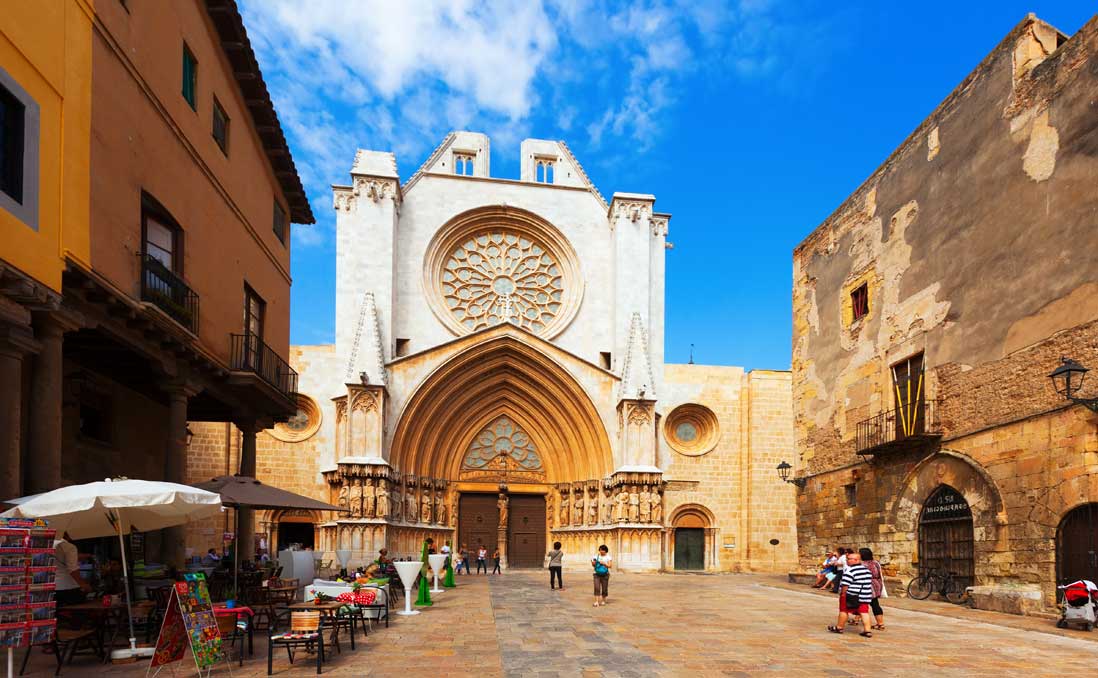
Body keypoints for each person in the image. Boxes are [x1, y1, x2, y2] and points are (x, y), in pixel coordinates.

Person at [828, 549, 873, 637]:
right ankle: (867, 630)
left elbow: (845, 584)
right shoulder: (867, 570)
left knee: (844, 610)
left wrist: (843, 593)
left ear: (856, 560)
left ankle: (839, 627)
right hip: (865, 595)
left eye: (849, 559)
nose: (847, 560)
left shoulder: (850, 571)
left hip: (851, 594)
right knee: (864, 612)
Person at [53, 533, 91, 606]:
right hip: (67, 588)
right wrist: (84, 585)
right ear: (67, 534)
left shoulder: (47, 544)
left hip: (51, 588)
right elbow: (72, 569)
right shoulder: (69, 547)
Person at [860, 547, 886, 630]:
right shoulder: (876, 563)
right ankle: (880, 623)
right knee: (875, 604)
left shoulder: (863, 564)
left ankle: (858, 620)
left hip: (868, 584)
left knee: (863, 603)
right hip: (877, 583)